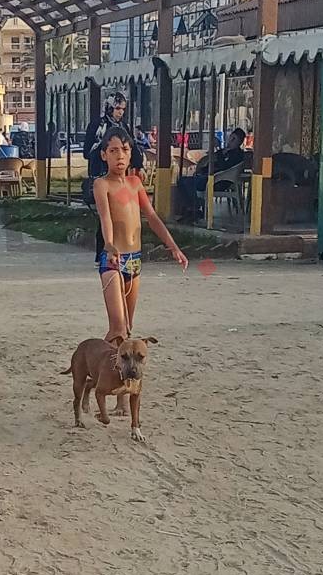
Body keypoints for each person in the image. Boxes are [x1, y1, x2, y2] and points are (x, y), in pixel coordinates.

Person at [95, 126, 188, 412]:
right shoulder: (102, 184)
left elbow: (152, 217)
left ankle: (121, 394)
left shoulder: (135, 184)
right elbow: (105, 219)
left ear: (130, 152)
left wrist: (173, 246)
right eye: (113, 151)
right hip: (112, 261)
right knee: (118, 327)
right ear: (104, 155)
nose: (119, 156)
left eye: (124, 150)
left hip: (135, 260)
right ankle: (96, 371)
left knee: (127, 331)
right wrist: (110, 246)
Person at [84, 92, 144, 264]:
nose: (120, 112)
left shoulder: (124, 127)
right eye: (117, 108)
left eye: (123, 109)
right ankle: (102, 252)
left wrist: (138, 165)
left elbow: (132, 147)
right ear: (109, 108)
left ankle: (121, 250)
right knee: (105, 215)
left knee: (120, 214)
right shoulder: (98, 125)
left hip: (121, 177)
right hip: (101, 175)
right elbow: (87, 152)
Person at [176, 127, 246, 221]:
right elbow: (211, 160)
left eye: (234, 139)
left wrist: (222, 154)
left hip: (220, 181)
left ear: (239, 142)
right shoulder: (224, 151)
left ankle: (196, 209)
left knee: (189, 183)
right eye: (231, 137)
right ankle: (191, 207)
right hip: (209, 176)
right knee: (182, 180)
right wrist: (202, 169)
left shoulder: (237, 154)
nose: (231, 140)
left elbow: (224, 166)